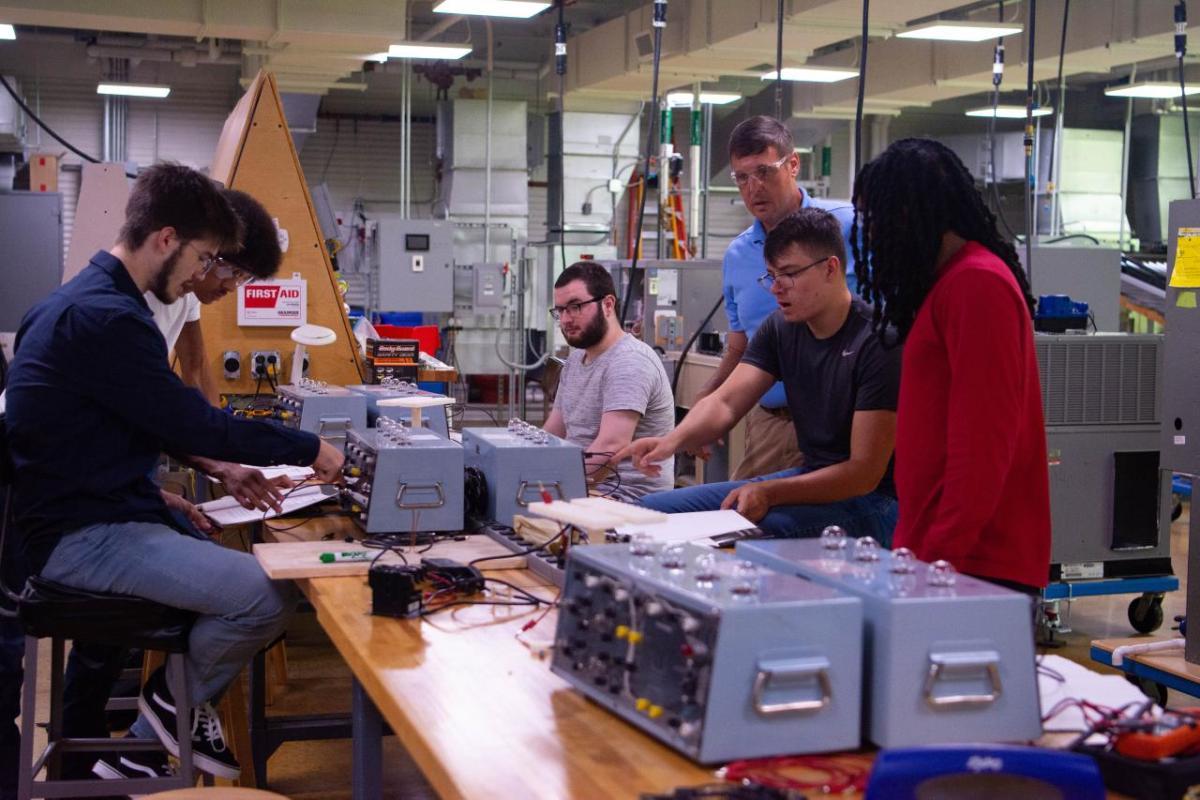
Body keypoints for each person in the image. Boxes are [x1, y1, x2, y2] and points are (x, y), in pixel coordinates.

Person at [5, 163, 344, 782]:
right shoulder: (109, 320)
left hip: (83, 518)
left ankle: (167, 721)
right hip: (81, 540)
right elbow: (195, 424)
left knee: (216, 554)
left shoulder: (77, 302)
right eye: (205, 257)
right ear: (166, 239)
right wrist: (311, 448)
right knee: (267, 593)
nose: (202, 276)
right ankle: (155, 726)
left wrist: (156, 497)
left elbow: (92, 440)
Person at [623, 209, 900, 542]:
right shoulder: (783, 327)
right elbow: (726, 402)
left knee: (745, 531)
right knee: (647, 512)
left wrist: (771, 491)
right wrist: (671, 442)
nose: (775, 289)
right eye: (770, 276)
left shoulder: (878, 342)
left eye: (789, 274)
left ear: (831, 268)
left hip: (873, 502)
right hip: (811, 475)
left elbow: (862, 474)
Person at [852, 138, 1050, 593]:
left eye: (876, 218)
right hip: (941, 556)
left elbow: (982, 448)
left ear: (910, 215)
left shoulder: (977, 285)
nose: (872, 235)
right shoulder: (947, 285)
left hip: (975, 566)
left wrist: (937, 566)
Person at [693, 116, 857, 481]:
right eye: (742, 177)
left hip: (846, 423)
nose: (754, 188)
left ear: (793, 164)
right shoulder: (737, 256)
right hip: (772, 422)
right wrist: (708, 399)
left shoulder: (848, 227)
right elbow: (740, 347)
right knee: (742, 521)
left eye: (764, 172)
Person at [544, 261, 675, 501]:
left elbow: (611, 447)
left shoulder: (629, 361)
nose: (565, 319)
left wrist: (545, 481)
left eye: (575, 307)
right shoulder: (575, 361)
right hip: (583, 487)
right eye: (560, 311)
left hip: (626, 498)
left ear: (607, 304)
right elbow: (553, 432)